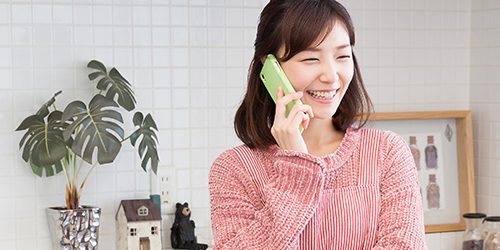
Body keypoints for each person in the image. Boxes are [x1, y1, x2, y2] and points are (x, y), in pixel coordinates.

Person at [208, 0, 426, 249]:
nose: (331, 76)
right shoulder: (234, 170)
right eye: (311, 59)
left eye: (342, 56)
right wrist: (296, 169)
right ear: (270, 68)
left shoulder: (386, 152)